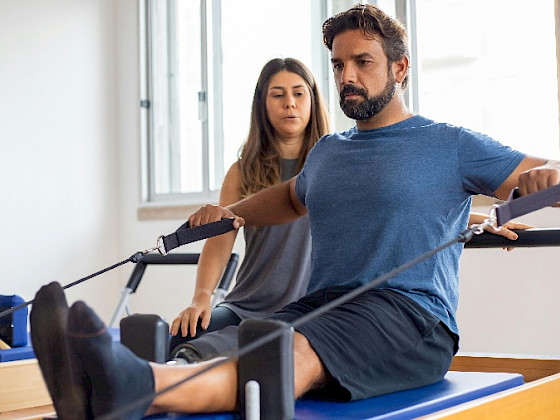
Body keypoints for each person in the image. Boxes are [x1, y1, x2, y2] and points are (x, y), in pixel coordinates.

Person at [29, 4, 559, 419]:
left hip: (409, 320)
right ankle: (101, 381)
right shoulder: (329, 151)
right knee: (235, 339)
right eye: (338, 64)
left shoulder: (450, 144)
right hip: (324, 304)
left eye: (363, 62)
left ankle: (133, 388)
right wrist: (230, 212)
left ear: (400, 67)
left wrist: (543, 179)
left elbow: (548, 174)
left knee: (282, 352)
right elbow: (289, 199)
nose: (346, 75)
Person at [167, 57, 330, 363]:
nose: (290, 104)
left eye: (298, 93)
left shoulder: (333, 163)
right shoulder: (242, 171)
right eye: (278, 95)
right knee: (180, 335)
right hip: (247, 304)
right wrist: (201, 297)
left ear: (312, 99)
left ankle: (188, 365)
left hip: (308, 308)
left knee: (261, 346)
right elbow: (219, 242)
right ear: (262, 105)